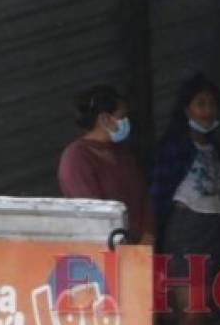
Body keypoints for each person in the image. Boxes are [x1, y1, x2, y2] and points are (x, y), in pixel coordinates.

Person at [150, 74, 220, 325]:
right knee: (190, 313)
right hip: (184, 234)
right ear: (186, 110)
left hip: (209, 232)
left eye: (211, 104)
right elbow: (158, 196)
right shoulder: (175, 148)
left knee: (196, 314)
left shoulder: (215, 147)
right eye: (200, 104)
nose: (208, 111)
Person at [58, 85, 154, 245]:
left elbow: (144, 197)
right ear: (104, 119)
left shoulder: (124, 154)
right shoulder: (76, 157)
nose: (127, 122)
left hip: (139, 249)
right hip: (104, 251)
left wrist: (148, 234)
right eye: (122, 116)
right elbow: (91, 212)